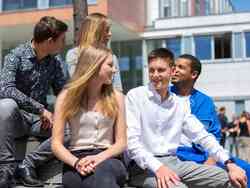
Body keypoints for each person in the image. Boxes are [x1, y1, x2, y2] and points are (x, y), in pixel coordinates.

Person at [126, 48, 247, 188]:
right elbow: (132, 144)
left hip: (174, 162)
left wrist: (229, 163)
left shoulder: (179, 103)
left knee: (233, 179)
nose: (155, 75)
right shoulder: (136, 96)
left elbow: (203, 136)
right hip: (143, 167)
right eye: (151, 70)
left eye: (160, 70)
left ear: (172, 71)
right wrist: (158, 168)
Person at [0, 16, 68, 187]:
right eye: (62, 40)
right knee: (5, 106)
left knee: (73, 126)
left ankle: (27, 164)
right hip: (17, 120)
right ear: (50, 41)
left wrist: (56, 114)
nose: (64, 44)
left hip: (41, 122)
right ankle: (6, 169)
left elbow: (63, 94)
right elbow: (6, 89)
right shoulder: (15, 56)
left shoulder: (56, 62)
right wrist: (40, 109)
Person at [52, 45, 127, 188]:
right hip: (76, 160)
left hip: (108, 157)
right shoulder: (65, 97)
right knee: (92, 180)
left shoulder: (117, 97)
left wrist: (97, 158)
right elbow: (56, 144)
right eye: (110, 65)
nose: (115, 70)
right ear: (95, 66)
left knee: (103, 175)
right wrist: (76, 162)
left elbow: (121, 142)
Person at [171, 54, 250, 188]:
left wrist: (211, 159)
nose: (175, 70)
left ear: (194, 74)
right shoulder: (162, 95)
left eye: (180, 67)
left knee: (245, 170)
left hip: (201, 154)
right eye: (174, 67)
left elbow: (215, 135)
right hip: (175, 153)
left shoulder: (205, 102)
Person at [66, 12, 123, 92]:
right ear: (95, 31)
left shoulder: (112, 57)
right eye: (106, 30)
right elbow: (78, 84)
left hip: (108, 102)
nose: (110, 34)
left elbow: (117, 89)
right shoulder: (74, 54)